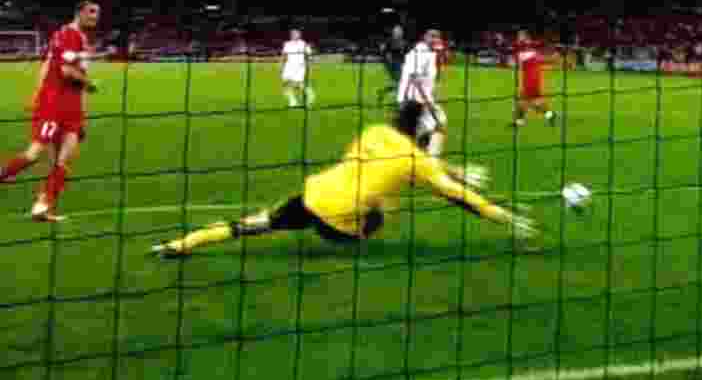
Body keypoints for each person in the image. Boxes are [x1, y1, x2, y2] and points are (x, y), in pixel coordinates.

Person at [151, 101, 534, 258]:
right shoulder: (417, 160)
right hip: (338, 221)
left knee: (256, 224)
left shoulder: (372, 132)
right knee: (382, 211)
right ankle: (354, 239)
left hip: (313, 193)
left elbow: (385, 161)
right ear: (420, 132)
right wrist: (501, 215)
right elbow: (460, 197)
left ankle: (179, 243)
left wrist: (453, 169)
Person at [0, 0, 101, 222]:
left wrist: (82, 110)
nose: (96, 17)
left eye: (98, 13)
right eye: (92, 12)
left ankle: (42, 206)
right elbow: (66, 71)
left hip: (72, 109)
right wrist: (90, 84)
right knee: (34, 153)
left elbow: (50, 66)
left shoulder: (80, 39)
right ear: (80, 12)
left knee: (64, 160)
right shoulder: (68, 34)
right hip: (54, 105)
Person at [397, 28, 447, 156]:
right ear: (425, 38)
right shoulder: (421, 53)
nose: (435, 39)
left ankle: (422, 154)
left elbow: (430, 77)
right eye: (432, 37)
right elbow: (415, 79)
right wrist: (427, 103)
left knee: (431, 125)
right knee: (437, 122)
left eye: (437, 37)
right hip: (414, 100)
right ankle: (428, 158)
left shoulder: (428, 53)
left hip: (418, 99)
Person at [512, 29, 557, 128]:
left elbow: (525, 56)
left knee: (531, 103)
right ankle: (550, 115)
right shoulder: (526, 48)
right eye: (518, 36)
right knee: (528, 102)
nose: (518, 37)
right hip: (529, 77)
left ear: (526, 37)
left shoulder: (527, 48)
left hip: (531, 79)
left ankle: (520, 122)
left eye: (520, 36)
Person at [281, 28, 315, 108]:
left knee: (298, 84)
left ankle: (310, 95)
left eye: (296, 34)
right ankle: (292, 101)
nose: (294, 35)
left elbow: (309, 55)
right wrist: (282, 65)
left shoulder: (303, 44)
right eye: (292, 34)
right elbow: (284, 55)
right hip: (288, 66)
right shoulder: (287, 44)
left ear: (299, 35)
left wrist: (309, 65)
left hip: (299, 67)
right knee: (285, 84)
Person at [377, 25, 407, 105]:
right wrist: (388, 61)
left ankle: (383, 92)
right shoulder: (390, 41)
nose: (399, 33)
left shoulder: (403, 42)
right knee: (401, 83)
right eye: (397, 31)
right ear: (394, 33)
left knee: (400, 83)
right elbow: (384, 51)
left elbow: (404, 54)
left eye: (400, 31)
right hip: (392, 65)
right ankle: (401, 101)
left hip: (400, 64)